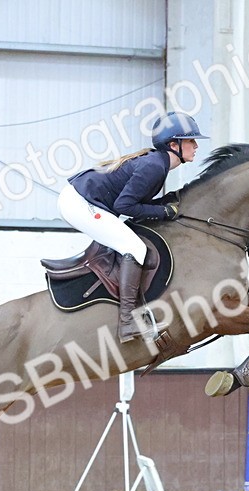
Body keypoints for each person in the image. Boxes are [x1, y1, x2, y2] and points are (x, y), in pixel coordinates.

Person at [58, 111, 208, 342]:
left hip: (84, 200)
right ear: (173, 144)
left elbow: (137, 203)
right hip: (79, 203)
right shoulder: (155, 166)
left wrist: (167, 204)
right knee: (135, 248)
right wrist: (163, 211)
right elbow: (125, 205)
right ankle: (127, 322)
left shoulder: (159, 164)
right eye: (191, 140)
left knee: (131, 242)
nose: (196, 145)